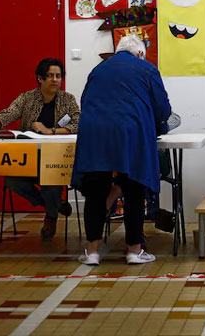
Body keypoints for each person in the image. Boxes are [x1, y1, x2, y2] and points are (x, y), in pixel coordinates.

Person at [73, 35, 173, 266]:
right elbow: (163, 109)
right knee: (134, 191)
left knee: (95, 193)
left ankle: (93, 252)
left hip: (94, 136)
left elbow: (85, 101)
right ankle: (134, 251)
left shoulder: (98, 70)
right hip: (130, 135)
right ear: (139, 53)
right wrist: (159, 126)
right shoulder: (146, 69)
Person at [0, 58, 78, 240]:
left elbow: (78, 123)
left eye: (58, 76)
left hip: (55, 158)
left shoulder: (67, 99)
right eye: (50, 76)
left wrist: (51, 131)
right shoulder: (27, 98)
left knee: (52, 184)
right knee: (12, 181)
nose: (55, 80)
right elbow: (8, 114)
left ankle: (51, 216)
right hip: (28, 156)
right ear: (40, 78)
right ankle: (53, 206)